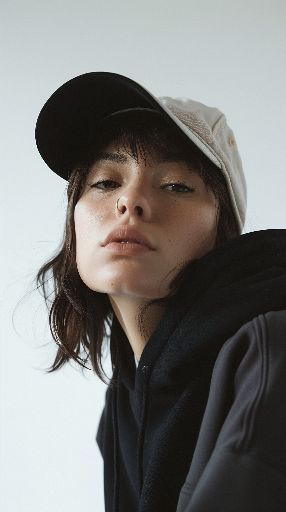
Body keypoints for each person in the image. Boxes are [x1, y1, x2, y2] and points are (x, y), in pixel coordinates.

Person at [34, 72, 286, 512]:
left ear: (223, 234)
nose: (129, 202)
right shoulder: (122, 403)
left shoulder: (271, 352)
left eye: (175, 185)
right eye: (105, 182)